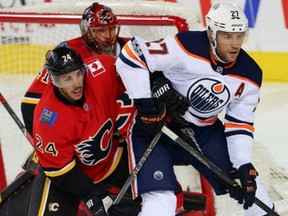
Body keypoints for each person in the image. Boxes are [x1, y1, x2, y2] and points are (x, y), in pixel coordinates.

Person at [116, 3, 276, 216]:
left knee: (251, 191)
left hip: (205, 132)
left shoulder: (250, 74)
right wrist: (147, 104)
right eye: (227, 36)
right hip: (156, 129)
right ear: (211, 32)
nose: (235, 44)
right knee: (161, 202)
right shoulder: (186, 46)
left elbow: (240, 123)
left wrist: (243, 164)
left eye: (239, 36)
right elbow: (131, 56)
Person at [28, 46, 136, 216]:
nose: (77, 83)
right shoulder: (48, 119)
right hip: (69, 176)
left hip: (111, 158)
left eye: (79, 74)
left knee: (160, 188)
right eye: (67, 79)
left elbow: (135, 69)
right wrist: (90, 192)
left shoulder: (100, 69)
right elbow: (60, 171)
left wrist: (158, 83)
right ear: (55, 80)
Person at [21, 2, 128, 135]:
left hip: (123, 131)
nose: (109, 36)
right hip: (83, 135)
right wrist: (40, 137)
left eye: (112, 29)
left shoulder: (129, 48)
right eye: (101, 30)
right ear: (86, 31)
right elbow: (30, 102)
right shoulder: (67, 54)